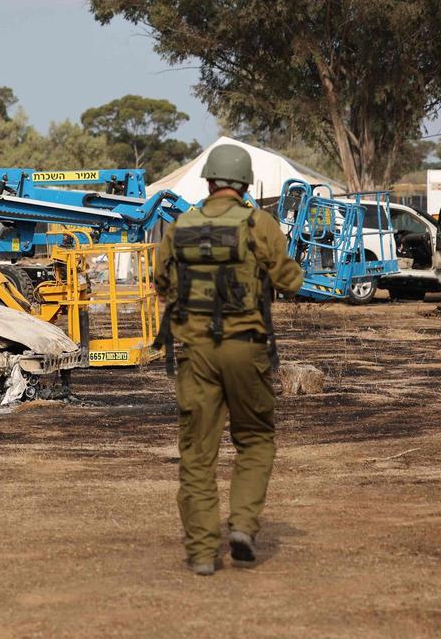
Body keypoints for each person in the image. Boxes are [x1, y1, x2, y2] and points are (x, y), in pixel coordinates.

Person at [153, 145, 304, 575]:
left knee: (198, 453)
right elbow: (289, 280)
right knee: (255, 439)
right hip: (247, 349)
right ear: (245, 184)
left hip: (195, 354)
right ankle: (240, 526)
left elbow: (160, 281)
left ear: (209, 181)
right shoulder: (260, 224)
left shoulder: (179, 226)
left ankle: (202, 552)